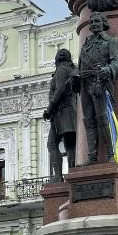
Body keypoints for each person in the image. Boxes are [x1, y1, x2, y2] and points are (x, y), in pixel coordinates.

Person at [72, 11, 118, 164]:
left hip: (100, 82)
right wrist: (75, 74)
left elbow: (117, 63)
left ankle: (111, 154)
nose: (93, 24)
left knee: (103, 119)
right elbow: (80, 64)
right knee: (88, 120)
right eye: (91, 22)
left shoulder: (111, 41)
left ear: (103, 23)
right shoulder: (86, 43)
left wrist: (107, 70)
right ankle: (92, 157)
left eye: (97, 21)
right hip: (85, 83)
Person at [43, 49, 77, 182]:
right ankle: (72, 173)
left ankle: (58, 176)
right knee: (70, 144)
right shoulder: (70, 69)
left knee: (52, 143)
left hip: (62, 111)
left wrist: (50, 108)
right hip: (69, 111)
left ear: (57, 59)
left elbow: (60, 89)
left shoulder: (62, 69)